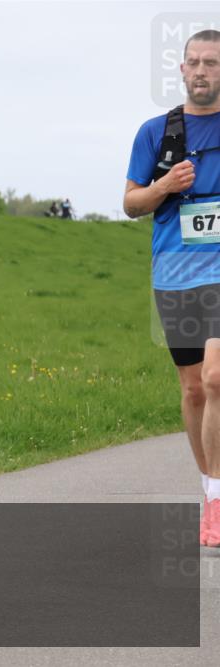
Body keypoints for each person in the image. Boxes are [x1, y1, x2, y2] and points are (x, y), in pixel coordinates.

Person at [124, 29, 220, 546]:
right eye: (194, 62)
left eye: (212, 62)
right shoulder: (155, 133)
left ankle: (219, 495)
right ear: (182, 71)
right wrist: (164, 187)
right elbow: (131, 204)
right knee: (192, 389)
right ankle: (211, 491)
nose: (202, 70)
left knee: (216, 376)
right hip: (175, 274)